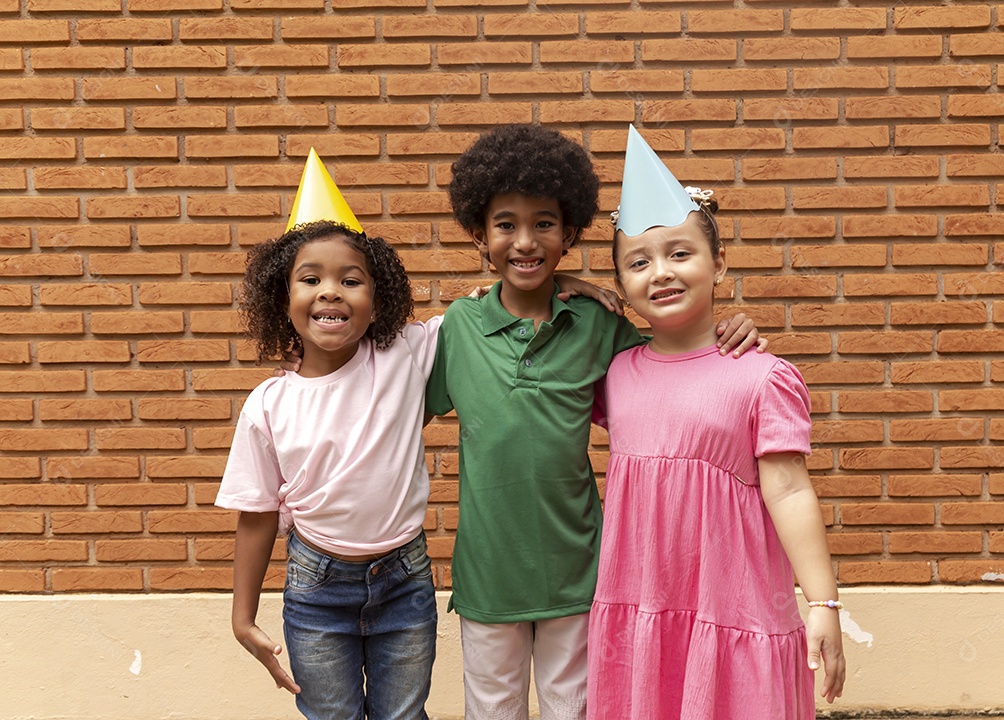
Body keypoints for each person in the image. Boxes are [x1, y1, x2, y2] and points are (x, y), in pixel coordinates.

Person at [424, 124, 766, 720]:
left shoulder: (597, 325)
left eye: (545, 225)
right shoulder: (458, 327)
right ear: (479, 236)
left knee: (575, 710)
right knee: (490, 710)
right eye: (506, 225)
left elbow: (672, 367)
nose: (525, 241)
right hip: (487, 578)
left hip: (581, 574)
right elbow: (389, 398)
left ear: (569, 235)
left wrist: (725, 331)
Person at [586, 127, 846, 720]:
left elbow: (789, 488)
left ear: (718, 262)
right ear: (621, 287)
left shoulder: (760, 376)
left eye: (681, 253)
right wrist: (574, 288)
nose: (661, 273)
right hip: (640, 604)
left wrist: (823, 604)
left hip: (736, 608)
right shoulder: (614, 372)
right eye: (638, 263)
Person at [216, 150, 441, 720]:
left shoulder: (404, 353)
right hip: (317, 589)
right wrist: (242, 617)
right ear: (282, 298)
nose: (330, 291)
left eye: (351, 279)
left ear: (377, 298)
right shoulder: (269, 405)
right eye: (310, 279)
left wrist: (564, 280)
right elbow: (257, 512)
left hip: (405, 580)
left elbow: (499, 305)